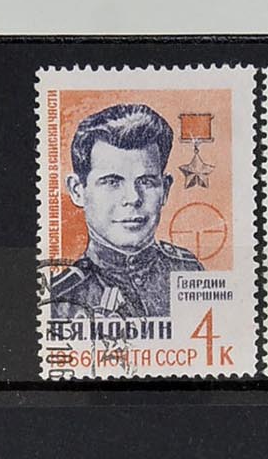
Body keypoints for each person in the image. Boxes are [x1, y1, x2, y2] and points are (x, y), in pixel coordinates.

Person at [49, 102, 203, 321]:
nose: (133, 198)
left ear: (165, 189)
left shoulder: (189, 271)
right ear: (77, 190)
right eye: (112, 182)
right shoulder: (60, 301)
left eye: (146, 182)